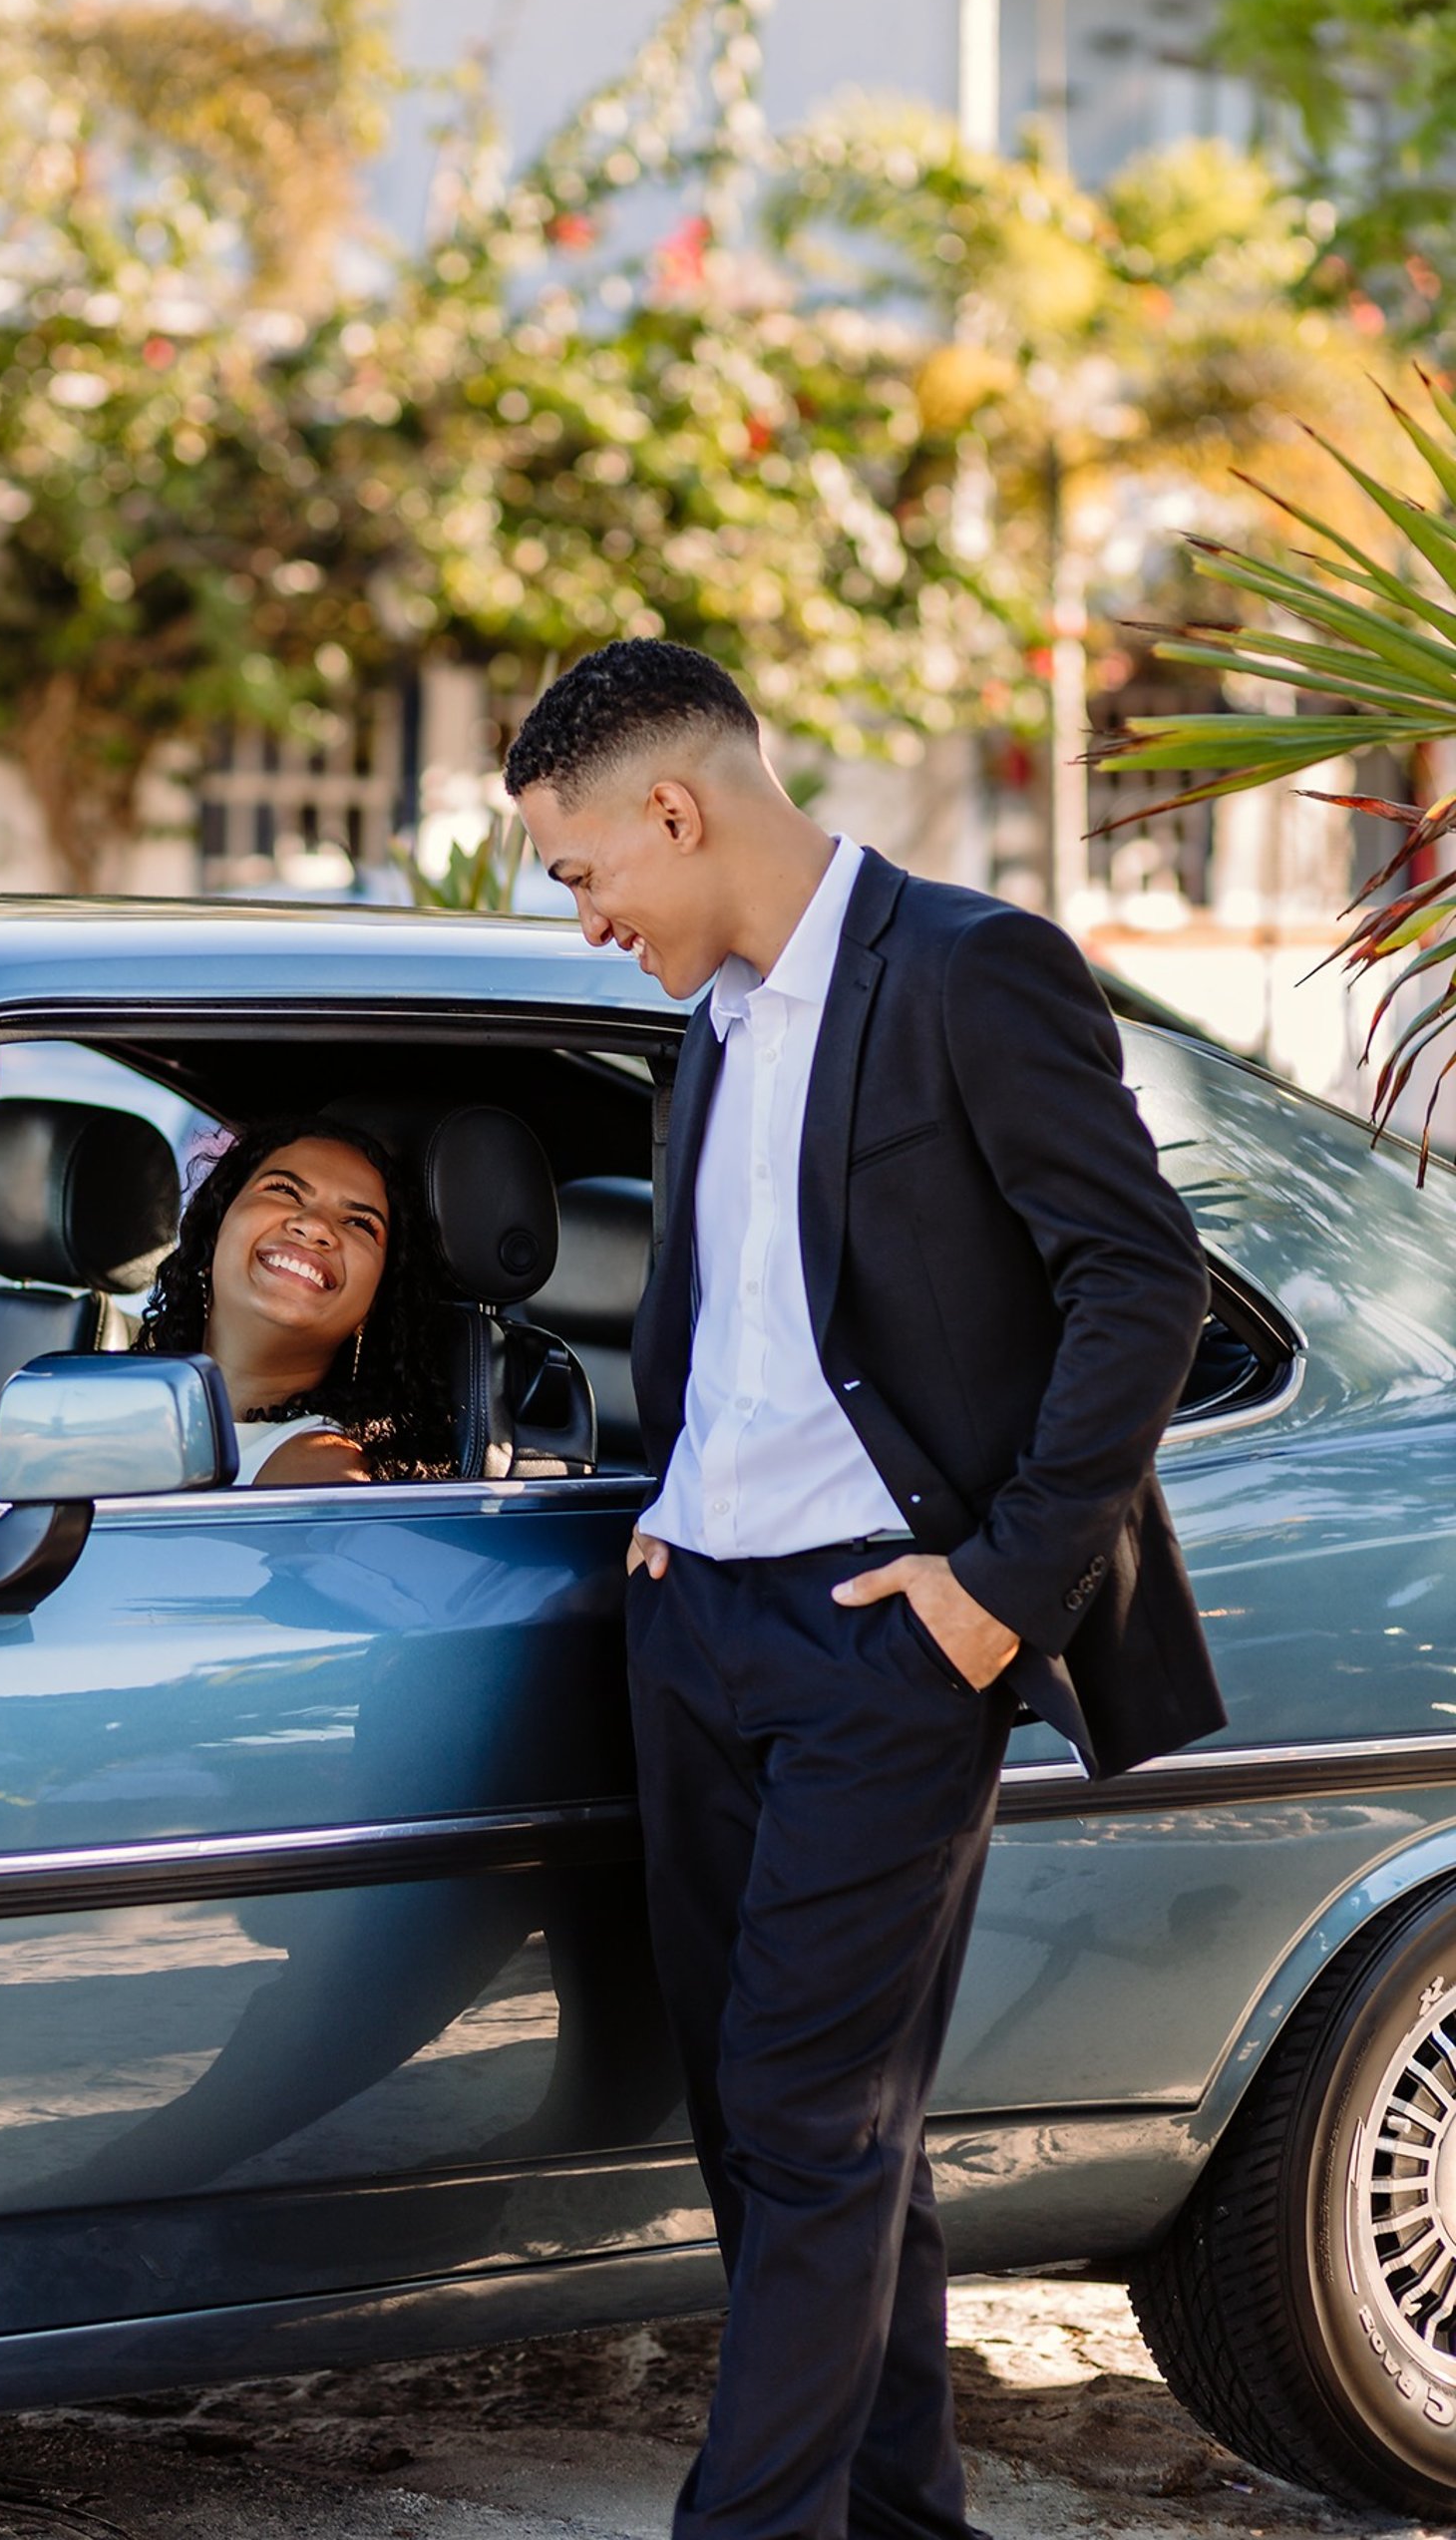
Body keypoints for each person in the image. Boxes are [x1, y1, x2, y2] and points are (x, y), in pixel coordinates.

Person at [506, 640, 1221, 2540]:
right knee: (787, 2132)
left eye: (584, 876)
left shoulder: (973, 971)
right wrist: (681, 1498)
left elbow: (1140, 1284)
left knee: (815, 2123)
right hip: (700, 1624)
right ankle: (909, 2520)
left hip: (887, 1643)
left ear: (677, 810)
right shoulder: (715, 1015)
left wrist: (1001, 1587)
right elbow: (756, 1321)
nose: (585, 922)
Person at [138, 1114, 451, 1484]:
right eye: (285, 1190)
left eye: (360, 1224)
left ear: (375, 1303)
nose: (316, 1226)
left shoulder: (321, 1469)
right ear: (213, 1233)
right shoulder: (121, 1409)